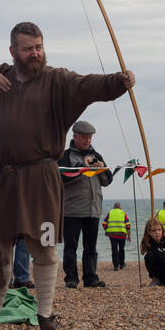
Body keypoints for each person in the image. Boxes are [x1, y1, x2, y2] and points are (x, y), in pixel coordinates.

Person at [0, 21, 134, 330]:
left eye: (39, 47)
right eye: (28, 48)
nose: (35, 53)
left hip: (41, 180)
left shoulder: (56, 81)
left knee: (44, 246)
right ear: (13, 51)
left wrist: (118, 82)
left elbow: (89, 85)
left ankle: (45, 313)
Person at [58, 120, 113, 288]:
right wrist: (83, 167)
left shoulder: (97, 155)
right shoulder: (65, 156)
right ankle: (71, 279)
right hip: (72, 210)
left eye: (89, 137)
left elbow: (107, 181)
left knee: (91, 248)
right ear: (74, 136)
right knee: (70, 248)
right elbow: (60, 179)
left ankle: (90, 278)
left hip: (93, 209)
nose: (87, 140)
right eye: (84, 137)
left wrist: (102, 168)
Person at [140, 218, 165, 286]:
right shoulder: (149, 243)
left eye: (159, 229)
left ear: (162, 230)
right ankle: (156, 279)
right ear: (149, 232)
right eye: (153, 230)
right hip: (160, 269)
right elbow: (159, 256)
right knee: (148, 256)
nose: (157, 232)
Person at [102, 201, 130, 270]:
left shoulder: (110, 213)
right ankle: (122, 264)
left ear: (114, 207)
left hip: (112, 235)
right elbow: (128, 225)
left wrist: (107, 230)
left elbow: (104, 223)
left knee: (114, 250)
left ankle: (116, 266)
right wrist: (129, 235)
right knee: (121, 249)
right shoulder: (123, 213)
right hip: (122, 235)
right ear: (120, 207)